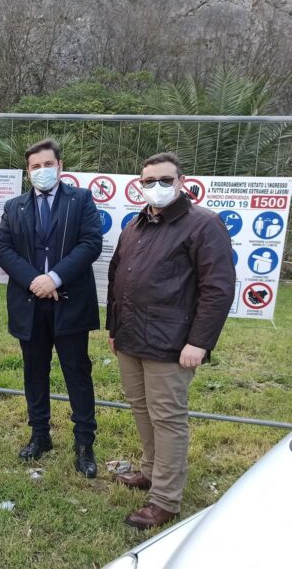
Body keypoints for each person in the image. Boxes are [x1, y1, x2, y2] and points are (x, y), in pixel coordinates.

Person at [107, 152, 235, 530]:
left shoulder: (203, 225)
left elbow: (219, 288)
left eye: (164, 179)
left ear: (181, 182)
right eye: (148, 181)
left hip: (172, 344)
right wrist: (115, 330)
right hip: (131, 339)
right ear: (140, 185)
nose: (156, 187)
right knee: (142, 410)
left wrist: (199, 342)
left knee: (168, 418)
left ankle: (165, 499)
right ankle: (150, 472)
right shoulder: (136, 225)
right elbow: (118, 279)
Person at [0, 139, 102, 477]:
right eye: (35, 166)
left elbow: (90, 243)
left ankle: (84, 445)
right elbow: (3, 247)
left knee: (77, 374)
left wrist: (54, 278)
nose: (42, 171)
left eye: (47, 164)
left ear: (60, 165)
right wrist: (34, 281)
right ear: (28, 172)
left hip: (70, 302)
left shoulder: (80, 199)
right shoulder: (14, 207)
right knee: (34, 372)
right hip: (29, 304)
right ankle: (40, 436)